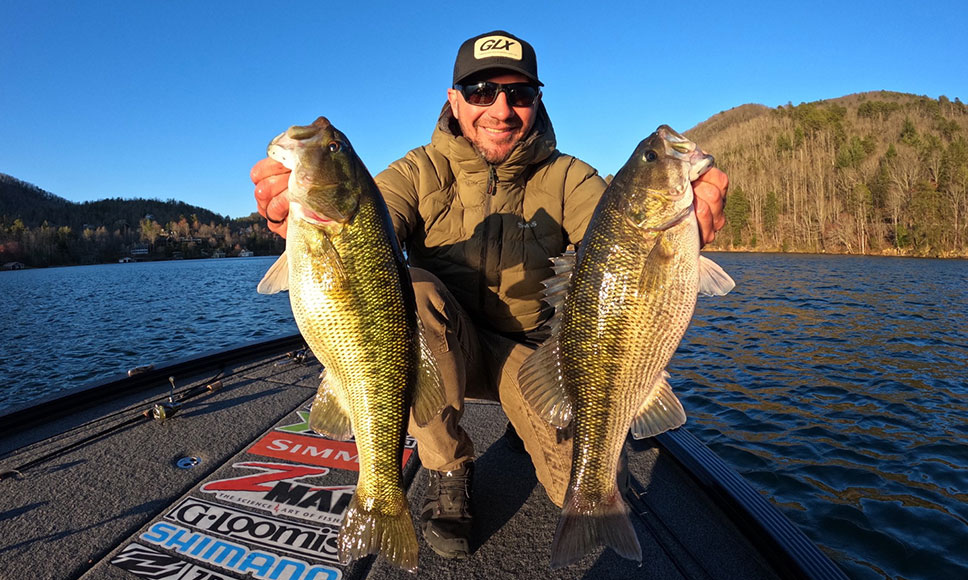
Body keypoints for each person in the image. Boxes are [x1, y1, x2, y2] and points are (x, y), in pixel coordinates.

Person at [251, 30, 728, 560]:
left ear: (537, 101)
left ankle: (529, 432)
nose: (501, 109)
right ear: (454, 99)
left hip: (530, 357)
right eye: (481, 91)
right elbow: (369, 222)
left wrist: (687, 220)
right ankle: (446, 467)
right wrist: (291, 217)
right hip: (443, 345)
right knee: (413, 292)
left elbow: (614, 238)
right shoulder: (413, 172)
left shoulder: (571, 177)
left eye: (519, 94)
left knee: (580, 482)